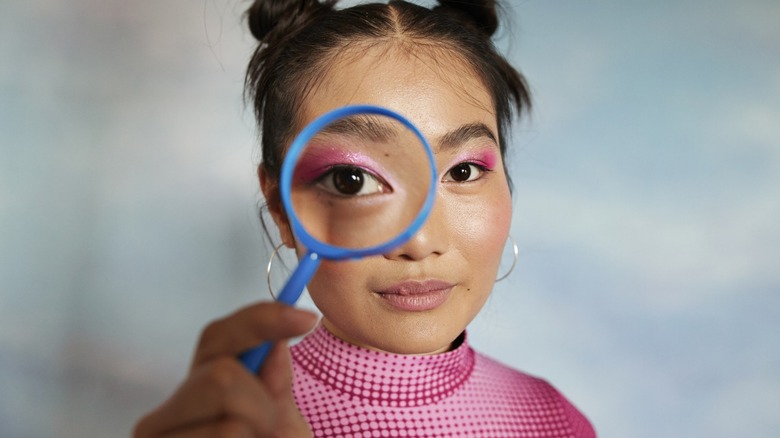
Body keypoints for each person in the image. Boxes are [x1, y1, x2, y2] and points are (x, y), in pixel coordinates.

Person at [134, 1, 596, 436]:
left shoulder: (554, 420)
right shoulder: (232, 422)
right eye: (352, 180)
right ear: (281, 207)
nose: (418, 241)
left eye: (463, 171)